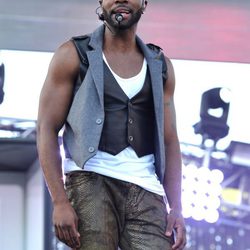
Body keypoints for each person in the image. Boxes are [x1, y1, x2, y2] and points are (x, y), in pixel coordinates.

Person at [37, 0, 186, 249]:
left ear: (144, 3)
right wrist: (60, 201)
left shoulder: (160, 66)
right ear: (101, 2)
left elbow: (170, 140)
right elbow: (46, 128)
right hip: (90, 181)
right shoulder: (74, 54)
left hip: (146, 188)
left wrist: (177, 207)